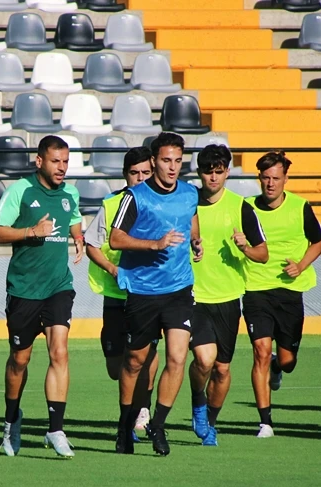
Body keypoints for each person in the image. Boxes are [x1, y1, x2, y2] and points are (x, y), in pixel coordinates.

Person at [0, 135, 84, 458]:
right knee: (20, 360)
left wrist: (78, 238)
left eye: (66, 162)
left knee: (60, 351)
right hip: (24, 289)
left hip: (59, 286)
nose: (62, 168)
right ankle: (11, 421)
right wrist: (31, 232)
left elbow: (72, 219)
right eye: (56, 161)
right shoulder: (21, 191)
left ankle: (55, 429)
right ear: (39, 161)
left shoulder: (70, 192)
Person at [109, 132, 202, 456]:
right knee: (135, 362)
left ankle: (158, 426)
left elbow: (191, 217)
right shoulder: (136, 197)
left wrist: (196, 241)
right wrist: (154, 244)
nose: (172, 167)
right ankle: (124, 424)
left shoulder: (190, 193)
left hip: (179, 288)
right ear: (153, 161)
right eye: (166, 160)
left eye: (178, 160)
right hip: (142, 290)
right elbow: (116, 239)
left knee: (178, 356)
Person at [241, 151, 321, 438]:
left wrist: (300, 265)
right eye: (265, 178)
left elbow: (319, 241)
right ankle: (265, 421)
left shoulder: (301, 207)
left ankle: (280, 365)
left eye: (276, 178)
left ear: (285, 179)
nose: (270, 184)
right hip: (255, 289)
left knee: (287, 361)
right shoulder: (246, 207)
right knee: (260, 352)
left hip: (290, 292)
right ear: (259, 178)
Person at [188, 145, 267, 446]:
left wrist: (245, 247)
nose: (213, 177)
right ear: (199, 173)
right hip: (193, 295)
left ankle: (209, 422)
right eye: (208, 171)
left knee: (222, 369)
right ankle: (197, 400)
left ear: (227, 172)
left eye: (218, 171)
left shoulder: (241, 207)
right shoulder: (187, 203)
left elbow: (262, 253)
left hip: (229, 298)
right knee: (205, 360)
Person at [84, 147, 160, 438]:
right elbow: (91, 244)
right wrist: (112, 269)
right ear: (125, 175)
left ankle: (142, 409)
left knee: (146, 353)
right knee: (116, 367)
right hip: (116, 295)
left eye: (145, 173)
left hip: (149, 294)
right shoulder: (112, 204)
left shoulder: (160, 203)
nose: (140, 179)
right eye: (134, 173)